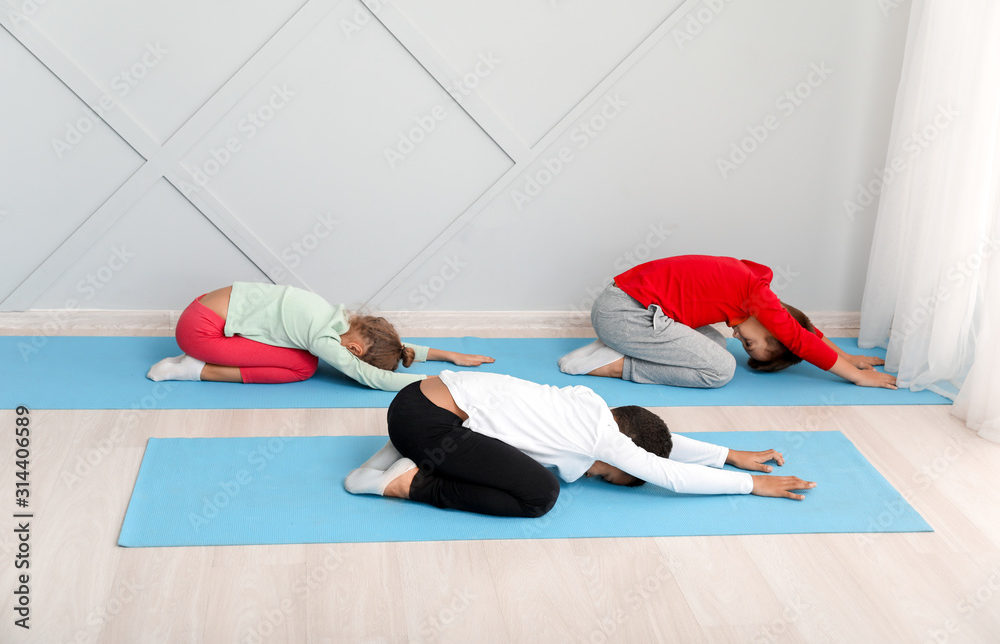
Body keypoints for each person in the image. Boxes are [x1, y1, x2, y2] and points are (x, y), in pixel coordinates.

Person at [344, 371, 815, 518]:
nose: (597, 474)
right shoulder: (600, 439)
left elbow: (659, 446)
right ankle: (404, 484)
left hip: (415, 404)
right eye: (607, 472)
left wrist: (726, 455)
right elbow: (668, 473)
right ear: (615, 450)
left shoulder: (591, 407)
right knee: (538, 495)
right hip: (428, 426)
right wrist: (749, 485)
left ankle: (397, 455)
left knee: (515, 463)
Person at [558, 255, 896, 390]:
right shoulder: (753, 292)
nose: (737, 335)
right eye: (749, 342)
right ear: (775, 327)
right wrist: (855, 376)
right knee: (720, 370)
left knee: (715, 345)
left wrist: (850, 357)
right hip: (624, 313)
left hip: (628, 311)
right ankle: (613, 364)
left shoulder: (750, 290)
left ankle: (613, 345)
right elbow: (800, 339)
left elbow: (806, 334)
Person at [146, 282, 493, 391]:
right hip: (199, 334)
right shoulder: (321, 338)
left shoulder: (337, 316)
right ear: (353, 349)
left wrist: (447, 354)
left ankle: (195, 362)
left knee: (301, 358)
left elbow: (394, 348)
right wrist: (441, 380)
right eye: (351, 357)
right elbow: (370, 377)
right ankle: (192, 369)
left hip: (199, 313)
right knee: (303, 368)